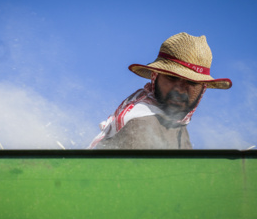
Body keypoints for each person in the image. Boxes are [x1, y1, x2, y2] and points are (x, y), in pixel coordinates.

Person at [88, 32, 232, 149]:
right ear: (155, 77)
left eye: (191, 82)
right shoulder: (141, 125)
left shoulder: (180, 129)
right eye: (172, 78)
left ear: (202, 88)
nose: (180, 90)